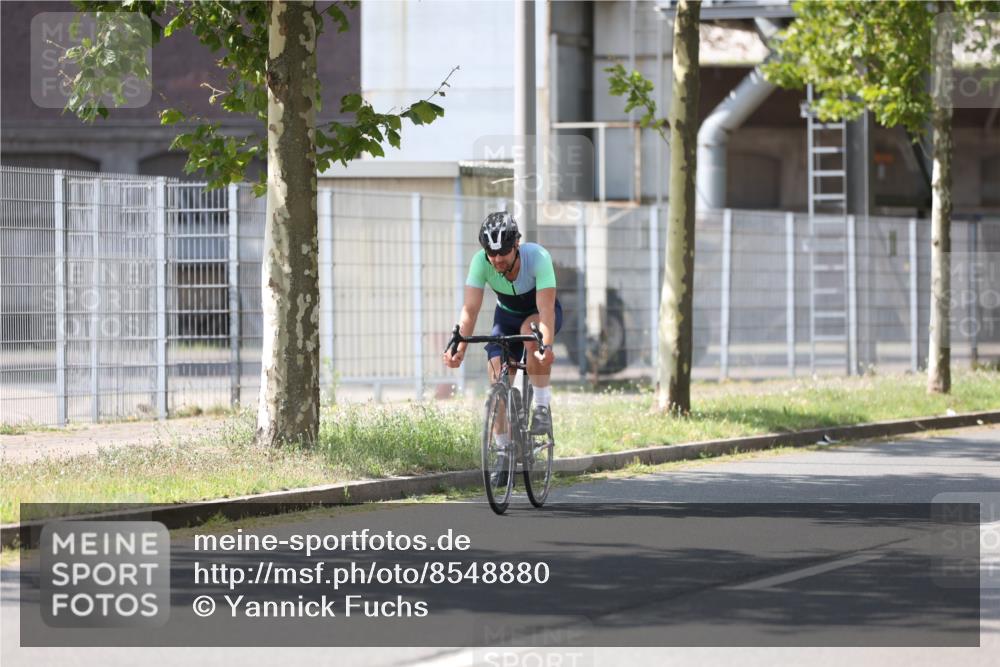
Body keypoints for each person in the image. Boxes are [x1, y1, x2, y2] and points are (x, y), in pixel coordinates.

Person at [442, 211, 562, 436]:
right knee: (497, 378)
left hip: (538, 313)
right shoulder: (480, 262)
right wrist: (459, 349)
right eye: (491, 253)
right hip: (506, 316)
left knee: (530, 336)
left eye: (504, 252)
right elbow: (470, 310)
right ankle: (502, 450)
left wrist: (546, 347)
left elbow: (546, 311)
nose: (497, 259)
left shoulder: (538, 257)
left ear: (517, 244)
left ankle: (542, 407)